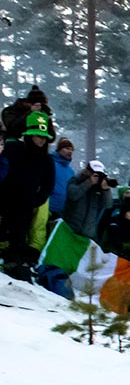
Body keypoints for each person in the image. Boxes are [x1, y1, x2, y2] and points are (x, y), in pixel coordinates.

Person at [0, 111, 56, 276]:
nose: (41, 139)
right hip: (5, 201)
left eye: (44, 136)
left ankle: (13, 264)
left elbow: (48, 185)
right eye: (37, 135)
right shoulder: (12, 148)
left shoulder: (47, 160)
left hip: (25, 206)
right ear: (29, 135)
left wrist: (35, 201)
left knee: (19, 236)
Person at [62, 161, 114, 240]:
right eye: (95, 173)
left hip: (88, 233)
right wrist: (88, 182)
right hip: (70, 228)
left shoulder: (99, 188)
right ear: (88, 171)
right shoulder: (76, 180)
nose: (97, 177)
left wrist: (106, 190)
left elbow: (108, 205)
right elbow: (72, 195)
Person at [47, 138, 74, 217]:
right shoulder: (50, 164)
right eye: (67, 148)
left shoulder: (71, 171)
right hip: (48, 209)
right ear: (59, 150)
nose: (70, 151)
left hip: (64, 212)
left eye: (72, 150)